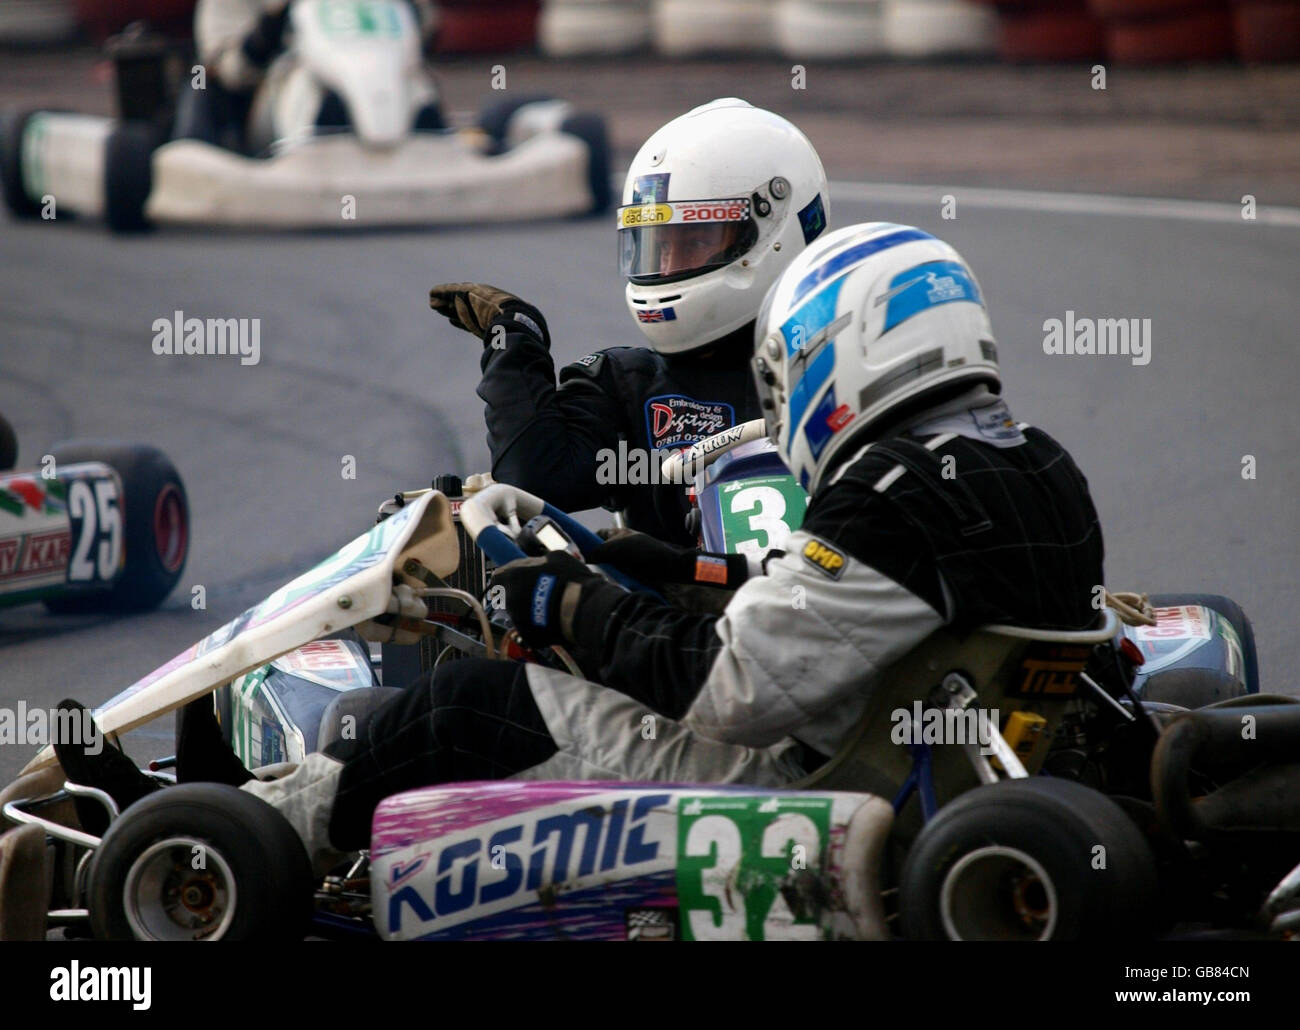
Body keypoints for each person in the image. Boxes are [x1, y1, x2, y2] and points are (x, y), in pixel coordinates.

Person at [55, 223, 1105, 876]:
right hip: (919, 758)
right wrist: (687, 575)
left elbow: (734, 690)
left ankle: (224, 846)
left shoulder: (887, 490)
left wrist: (570, 608)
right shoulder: (1030, 464)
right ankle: (250, 811)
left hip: (797, 783)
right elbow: (868, 616)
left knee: (469, 705)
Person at [430, 98, 832, 545]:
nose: (668, 263)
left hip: (838, 596)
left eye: (694, 241)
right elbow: (534, 479)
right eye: (658, 247)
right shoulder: (627, 386)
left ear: (777, 228)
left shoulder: (840, 358)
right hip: (672, 610)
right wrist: (516, 340)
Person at [185, 0, 442, 152]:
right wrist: (265, 34)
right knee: (307, 84)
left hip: (380, 69)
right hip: (283, 79)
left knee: (413, 82)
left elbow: (425, 25)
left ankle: (425, 133)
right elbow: (226, 70)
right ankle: (323, 132)